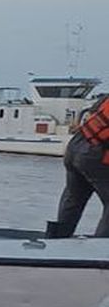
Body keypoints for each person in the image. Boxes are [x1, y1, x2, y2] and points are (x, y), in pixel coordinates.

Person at [49, 92, 109, 237]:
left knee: (73, 198)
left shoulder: (105, 99)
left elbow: (87, 114)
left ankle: (56, 242)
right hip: (96, 155)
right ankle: (102, 249)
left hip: (75, 146)